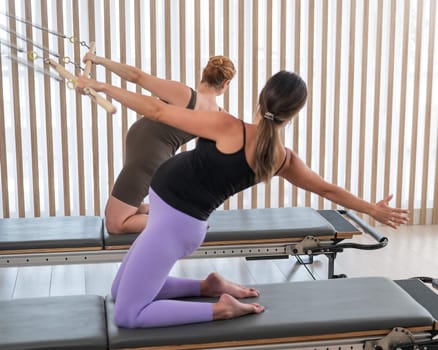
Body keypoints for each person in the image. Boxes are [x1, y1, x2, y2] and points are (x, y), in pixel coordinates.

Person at [76, 70, 409, 328]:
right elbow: (325, 189)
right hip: (172, 220)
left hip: (173, 227)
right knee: (120, 292)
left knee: (128, 314)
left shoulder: (227, 126)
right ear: (293, 114)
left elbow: (158, 112)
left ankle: (221, 309)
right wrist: (371, 208)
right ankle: (208, 286)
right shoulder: (281, 157)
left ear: (261, 97)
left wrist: (103, 87)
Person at [83, 53, 236, 234]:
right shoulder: (220, 117)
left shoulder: (185, 95)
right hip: (146, 157)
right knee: (116, 211)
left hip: (146, 159)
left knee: (115, 224)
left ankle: (185, 222)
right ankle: (174, 211)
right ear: (226, 84)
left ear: (203, 73)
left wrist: (101, 60)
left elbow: (137, 77)